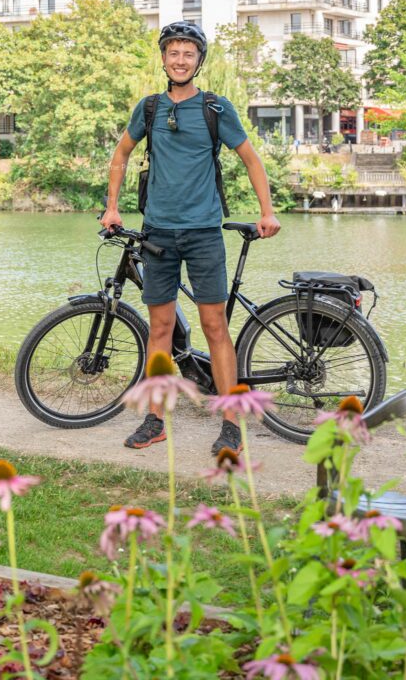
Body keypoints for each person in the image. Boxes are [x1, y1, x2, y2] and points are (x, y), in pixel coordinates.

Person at [101, 22, 280, 456]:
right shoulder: (149, 109)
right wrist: (112, 206)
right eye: (173, 52)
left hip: (203, 231)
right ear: (163, 58)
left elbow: (251, 160)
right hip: (158, 231)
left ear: (199, 61)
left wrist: (267, 210)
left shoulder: (216, 109)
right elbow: (120, 155)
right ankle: (155, 420)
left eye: (188, 53)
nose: (180, 60)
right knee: (160, 328)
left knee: (214, 325)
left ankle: (232, 424)